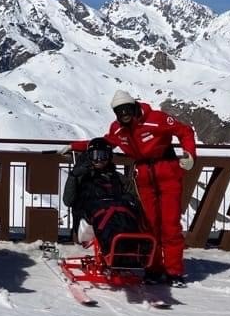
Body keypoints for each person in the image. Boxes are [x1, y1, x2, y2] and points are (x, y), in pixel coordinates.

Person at [64, 90, 197, 286]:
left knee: (170, 226)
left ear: (134, 107)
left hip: (167, 171)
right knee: (148, 225)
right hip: (143, 175)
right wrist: (75, 146)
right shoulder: (118, 129)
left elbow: (184, 131)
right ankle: (153, 269)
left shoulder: (157, 119)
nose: (124, 114)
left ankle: (173, 272)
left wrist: (190, 153)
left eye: (127, 110)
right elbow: (104, 142)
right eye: (119, 112)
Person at [62, 138, 150, 267]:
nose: (99, 160)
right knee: (108, 220)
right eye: (95, 156)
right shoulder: (83, 177)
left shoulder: (118, 178)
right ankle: (114, 251)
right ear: (89, 157)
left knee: (127, 214)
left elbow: (135, 197)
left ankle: (131, 251)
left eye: (103, 156)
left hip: (118, 211)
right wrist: (73, 177)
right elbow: (68, 200)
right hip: (93, 214)